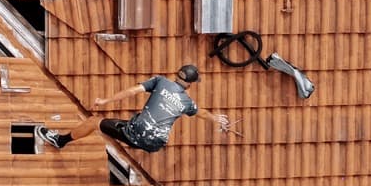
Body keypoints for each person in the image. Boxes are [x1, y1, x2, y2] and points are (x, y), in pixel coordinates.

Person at [34, 65, 229, 153]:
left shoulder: (160, 81)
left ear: (177, 75)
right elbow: (200, 112)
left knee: (95, 122)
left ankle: (60, 141)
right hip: (156, 144)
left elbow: (131, 91)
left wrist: (104, 101)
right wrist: (216, 119)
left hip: (136, 133)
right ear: (190, 84)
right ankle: (135, 143)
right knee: (135, 129)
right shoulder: (187, 102)